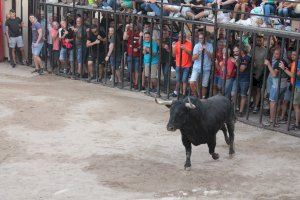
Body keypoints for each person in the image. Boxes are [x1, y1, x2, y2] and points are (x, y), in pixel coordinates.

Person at [264, 48, 289, 127]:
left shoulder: (278, 62)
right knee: (277, 102)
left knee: (273, 103)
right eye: (274, 53)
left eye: (277, 54)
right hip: (283, 85)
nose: (275, 55)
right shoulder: (284, 61)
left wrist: (268, 64)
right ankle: (275, 120)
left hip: (277, 85)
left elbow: (274, 74)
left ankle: (272, 121)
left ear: (281, 54)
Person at [190, 32, 213, 98]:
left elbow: (212, 57)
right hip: (197, 67)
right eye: (199, 38)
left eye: (202, 38)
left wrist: (206, 51)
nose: (200, 40)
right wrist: (199, 52)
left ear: (205, 38)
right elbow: (193, 58)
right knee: (192, 82)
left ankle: (202, 98)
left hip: (206, 68)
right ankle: (196, 96)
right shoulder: (197, 46)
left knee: (204, 85)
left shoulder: (210, 45)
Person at [231, 46, 251, 117]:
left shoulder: (247, 57)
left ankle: (241, 111)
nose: (235, 53)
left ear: (241, 50)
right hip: (237, 78)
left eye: (237, 51)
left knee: (243, 95)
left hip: (244, 79)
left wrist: (235, 62)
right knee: (234, 94)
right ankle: (235, 109)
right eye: (234, 51)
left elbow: (242, 69)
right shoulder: (239, 57)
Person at [172, 32, 192, 97]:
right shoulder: (177, 43)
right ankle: (180, 92)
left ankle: (184, 93)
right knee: (178, 79)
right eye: (179, 37)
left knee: (184, 80)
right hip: (178, 64)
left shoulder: (189, 43)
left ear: (185, 37)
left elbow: (191, 53)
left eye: (182, 37)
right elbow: (173, 55)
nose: (180, 38)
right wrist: (173, 47)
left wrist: (184, 48)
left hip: (187, 65)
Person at [252, 35, 267, 114]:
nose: (258, 42)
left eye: (260, 40)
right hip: (253, 72)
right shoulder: (253, 49)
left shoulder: (265, 50)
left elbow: (265, 63)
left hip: (261, 73)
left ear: (263, 41)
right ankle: (255, 103)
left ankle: (256, 106)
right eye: (257, 40)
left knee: (258, 90)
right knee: (253, 89)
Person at [123, 23, 141, 89]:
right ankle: (133, 82)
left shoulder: (139, 33)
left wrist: (138, 48)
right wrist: (125, 29)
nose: (131, 27)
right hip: (130, 54)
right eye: (130, 26)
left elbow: (141, 43)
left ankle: (136, 83)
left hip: (137, 55)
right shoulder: (129, 32)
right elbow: (124, 38)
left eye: (133, 26)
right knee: (131, 70)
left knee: (136, 70)